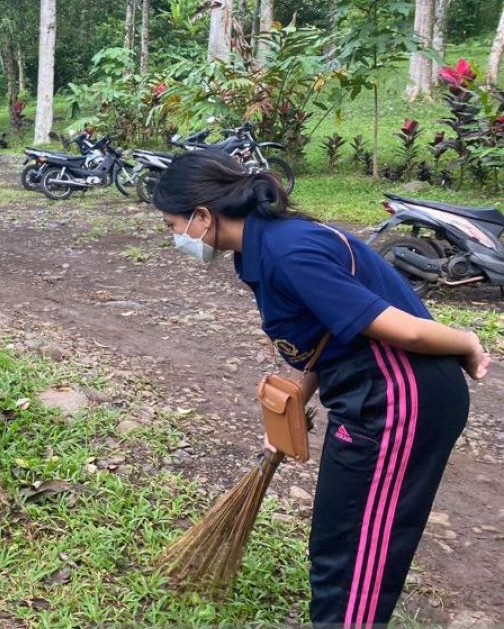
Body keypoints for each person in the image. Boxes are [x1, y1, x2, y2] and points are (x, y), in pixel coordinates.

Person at [151, 151, 490, 626]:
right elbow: (328, 335)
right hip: (366, 391)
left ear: (203, 216)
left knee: (355, 556)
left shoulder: (290, 252)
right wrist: (292, 405)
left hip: (399, 400)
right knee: (337, 540)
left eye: (173, 225)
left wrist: (468, 344)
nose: (176, 239)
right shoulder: (257, 251)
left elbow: (403, 330)